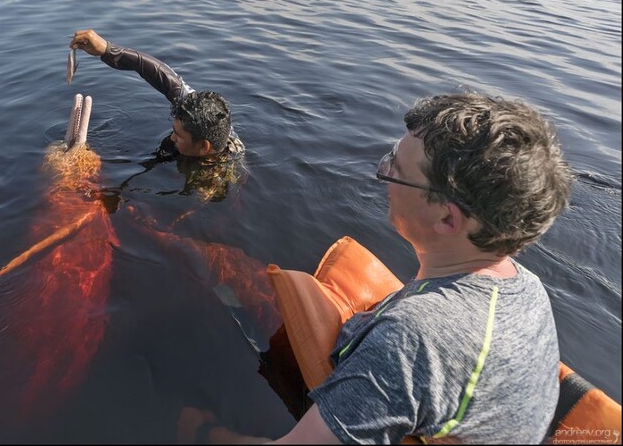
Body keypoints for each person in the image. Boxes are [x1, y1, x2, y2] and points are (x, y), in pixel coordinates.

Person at [182, 93, 573, 444]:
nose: (382, 173)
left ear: (447, 220)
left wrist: (203, 431)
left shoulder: (412, 340)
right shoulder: (528, 287)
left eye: (396, 170)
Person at [69, 29, 244, 202]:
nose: (173, 137)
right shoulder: (197, 109)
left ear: (204, 147)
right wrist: (107, 49)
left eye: (179, 135)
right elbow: (155, 71)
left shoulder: (213, 182)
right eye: (174, 130)